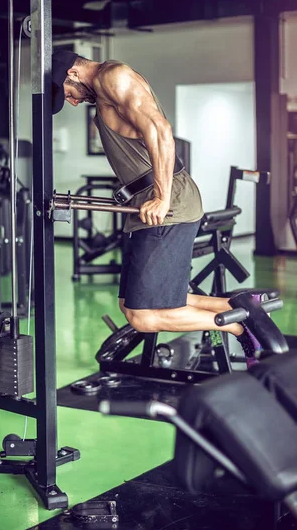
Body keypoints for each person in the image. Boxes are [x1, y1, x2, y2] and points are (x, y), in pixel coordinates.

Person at [51, 50, 260, 365]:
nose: (72, 101)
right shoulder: (108, 88)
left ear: (74, 73)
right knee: (130, 303)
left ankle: (239, 327)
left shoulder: (113, 77)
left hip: (167, 203)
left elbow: (160, 131)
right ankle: (240, 304)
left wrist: (161, 197)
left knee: (143, 316)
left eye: (67, 94)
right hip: (146, 204)